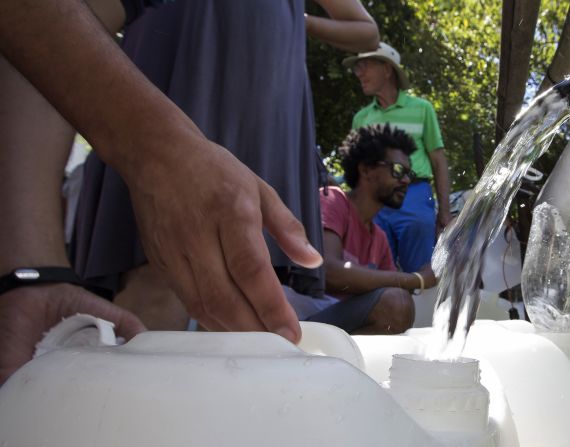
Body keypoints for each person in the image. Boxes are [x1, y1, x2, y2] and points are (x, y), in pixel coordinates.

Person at [0, 0, 323, 384]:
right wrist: (154, 148)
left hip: (269, 76)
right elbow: (41, 40)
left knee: (241, 293)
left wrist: (32, 273)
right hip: (170, 65)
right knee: (160, 283)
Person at [69, 0, 379, 330]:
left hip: (264, 73)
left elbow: (366, 31)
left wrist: (303, 22)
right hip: (176, 40)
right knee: (152, 263)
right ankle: (133, 371)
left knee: (248, 268)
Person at [304, 124, 437, 334]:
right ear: (365, 169)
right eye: (398, 170)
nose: (406, 180)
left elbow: (394, 288)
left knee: (399, 304)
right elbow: (328, 272)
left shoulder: (379, 238)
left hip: (339, 330)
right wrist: (418, 279)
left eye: (408, 173)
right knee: (396, 304)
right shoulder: (332, 200)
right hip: (305, 325)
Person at [344, 42, 452, 274]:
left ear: (386, 69)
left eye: (365, 66)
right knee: (377, 276)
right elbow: (356, 172)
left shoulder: (422, 109)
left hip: (414, 194)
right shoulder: (361, 118)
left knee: (422, 275)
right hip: (373, 203)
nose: (359, 73)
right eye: (357, 68)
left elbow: (438, 160)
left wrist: (444, 210)